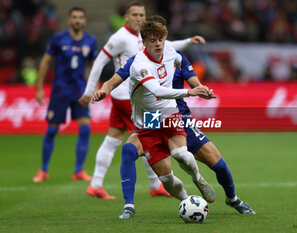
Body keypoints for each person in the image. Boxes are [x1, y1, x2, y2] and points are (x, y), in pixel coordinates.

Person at [79, 1, 206, 199]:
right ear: (126, 17)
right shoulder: (120, 37)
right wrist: (90, 90)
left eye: (141, 15)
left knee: (113, 138)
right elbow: (100, 61)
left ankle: (96, 183)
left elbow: (167, 46)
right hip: (131, 98)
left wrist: (189, 41)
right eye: (135, 15)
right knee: (148, 139)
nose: (138, 18)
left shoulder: (147, 39)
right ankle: (156, 184)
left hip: (123, 97)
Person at [115, 50, 256, 218]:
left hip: (179, 116)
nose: (157, 43)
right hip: (152, 118)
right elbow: (119, 76)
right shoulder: (140, 61)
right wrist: (103, 90)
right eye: (153, 39)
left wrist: (201, 89)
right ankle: (130, 207)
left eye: (160, 38)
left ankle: (232, 199)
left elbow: (192, 78)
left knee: (218, 164)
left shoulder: (175, 56)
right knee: (129, 150)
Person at [33, 7, 97, 182]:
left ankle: (78, 171)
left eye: (80, 17)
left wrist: (92, 88)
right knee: (52, 130)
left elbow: (93, 66)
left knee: (85, 129)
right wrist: (39, 88)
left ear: (84, 21)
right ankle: (43, 170)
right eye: (74, 17)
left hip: (80, 92)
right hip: (60, 91)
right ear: (69, 20)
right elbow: (46, 62)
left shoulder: (91, 41)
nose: (77, 20)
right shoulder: (58, 39)